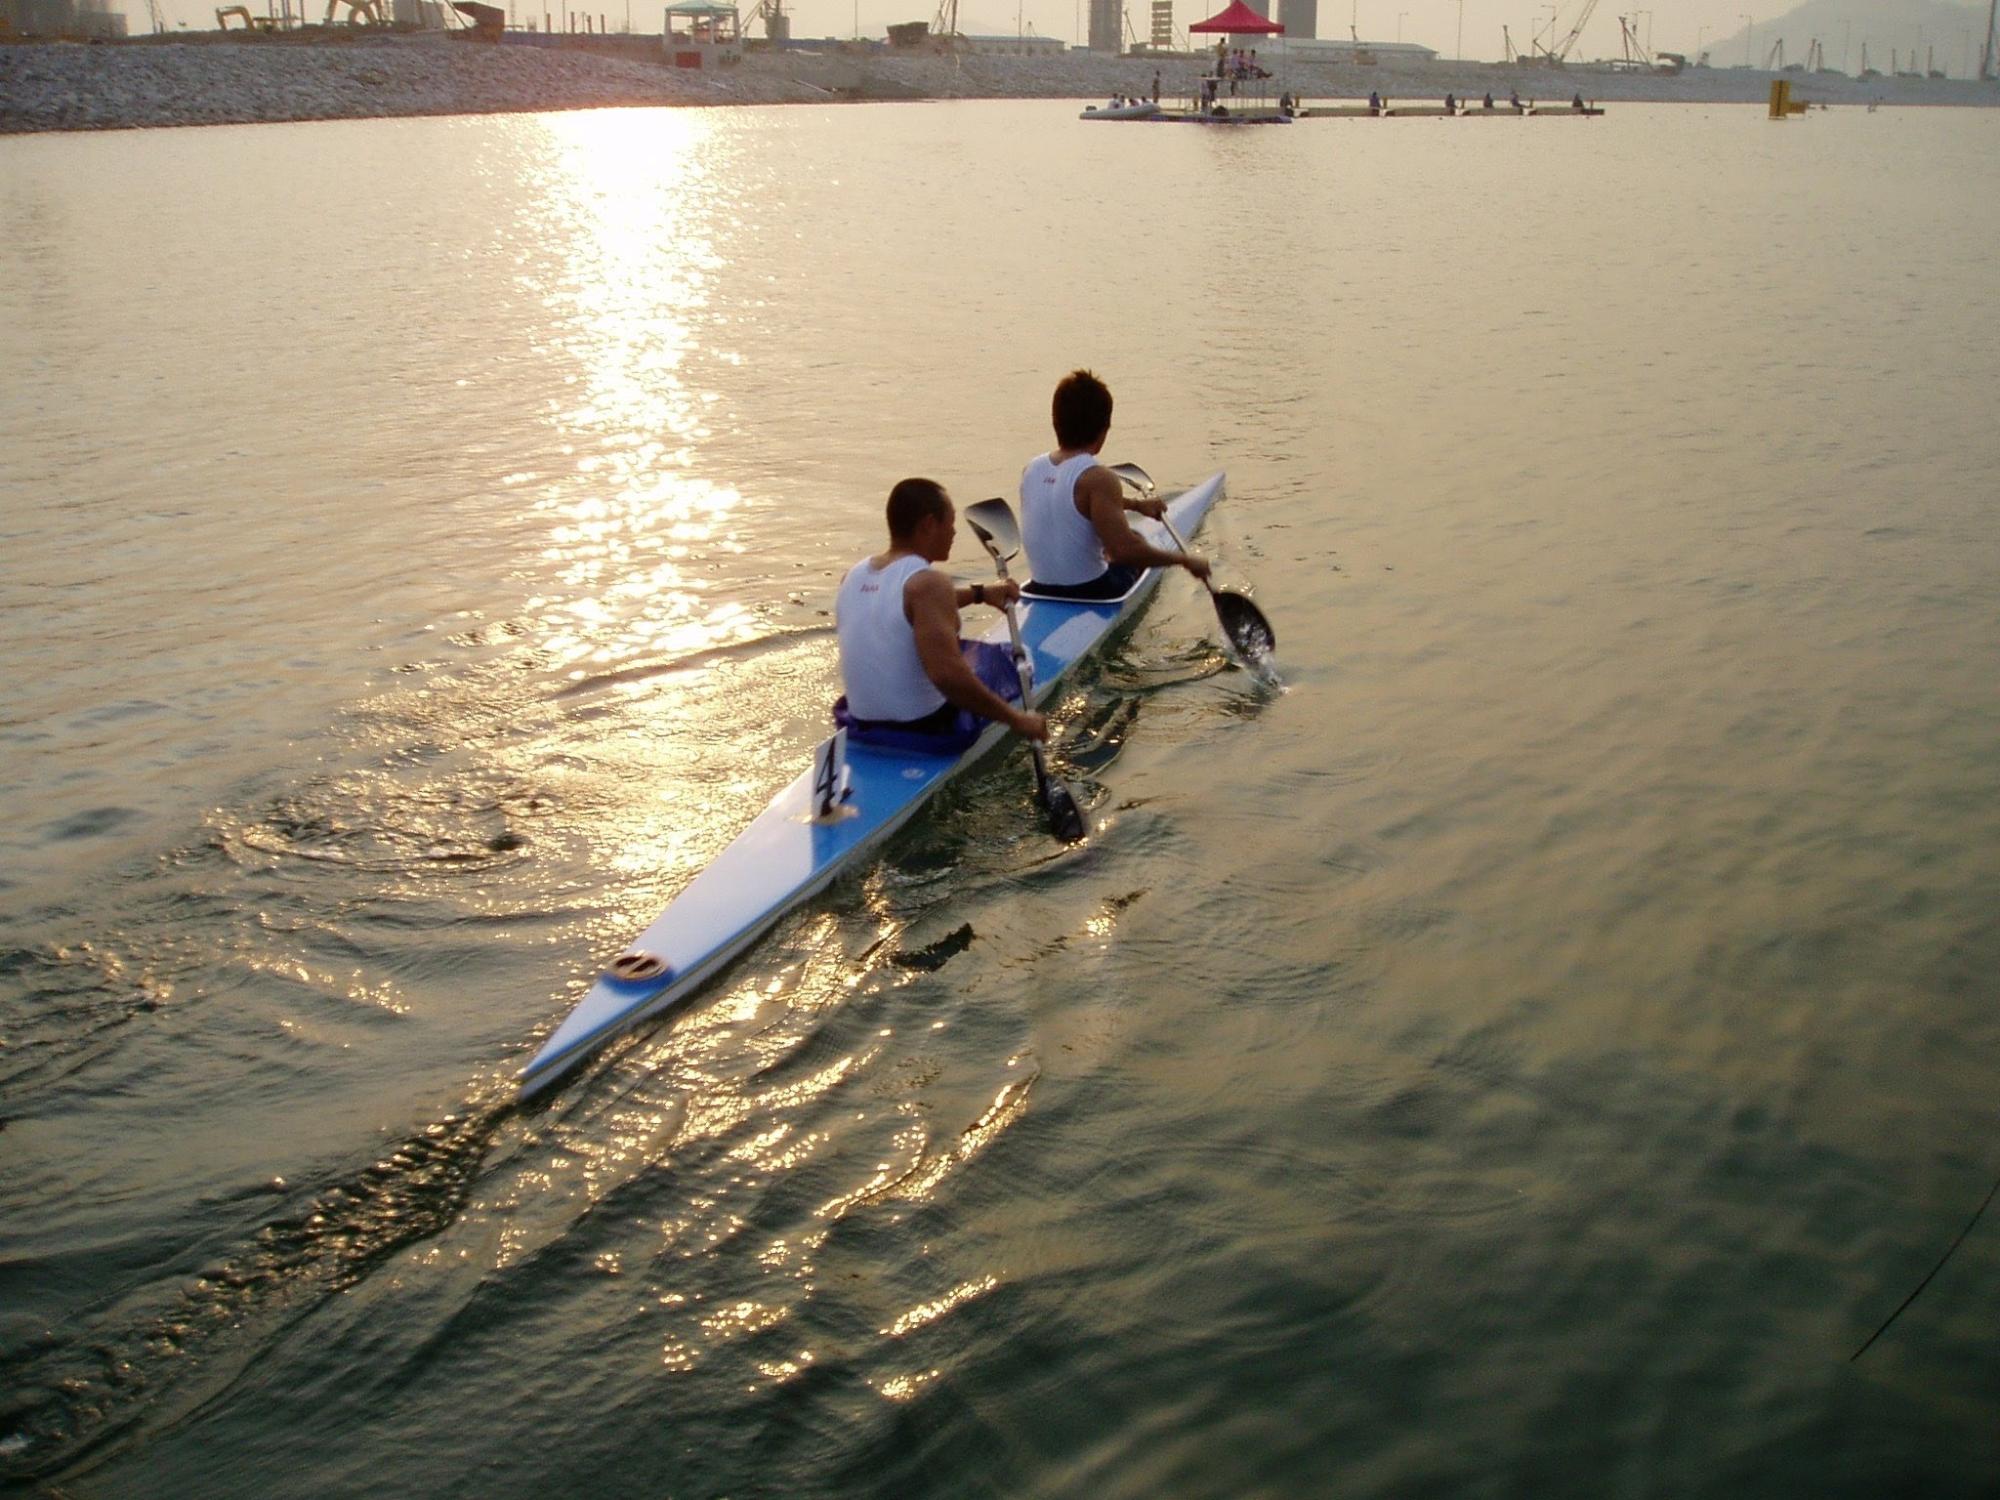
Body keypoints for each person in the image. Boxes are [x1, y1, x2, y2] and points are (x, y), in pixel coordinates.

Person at [835, 478, 1046, 749]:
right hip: (926, 728)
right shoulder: (930, 584)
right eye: (951, 522)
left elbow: (904, 608)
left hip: (860, 723)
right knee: (1010, 659)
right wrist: (1017, 720)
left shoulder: (852, 576)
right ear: (928, 525)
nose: (954, 532)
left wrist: (980, 593)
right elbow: (947, 677)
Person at [1018, 371, 1210, 601]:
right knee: (1136, 541)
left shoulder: (1031, 469)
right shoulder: (1099, 477)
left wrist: (1137, 506)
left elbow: (1068, 503)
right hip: (1092, 592)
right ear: (1103, 431)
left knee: (1115, 541)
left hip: (1039, 590)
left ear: (1055, 421)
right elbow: (1123, 551)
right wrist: (1184, 560)